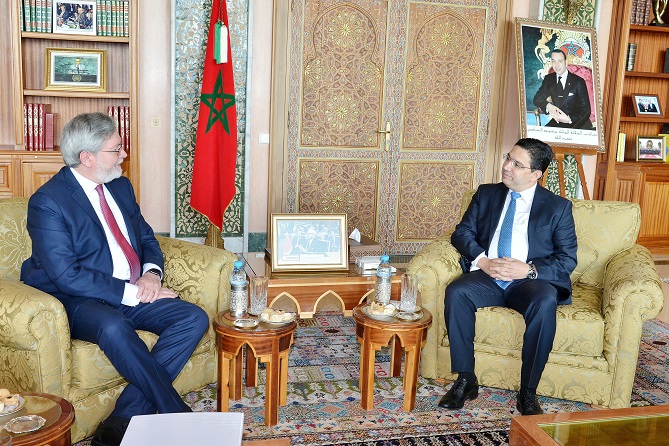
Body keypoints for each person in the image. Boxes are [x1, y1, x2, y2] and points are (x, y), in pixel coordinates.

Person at [20, 113, 209, 446]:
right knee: (112, 325)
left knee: (192, 317)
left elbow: (147, 238)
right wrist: (134, 292)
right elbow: (66, 274)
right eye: (116, 149)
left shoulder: (120, 186)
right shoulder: (48, 202)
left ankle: (122, 417)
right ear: (87, 157)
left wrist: (151, 275)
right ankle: (176, 412)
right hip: (77, 299)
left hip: (130, 289)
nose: (124, 154)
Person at [437, 138, 577, 416]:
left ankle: (528, 391)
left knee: (545, 302)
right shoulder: (487, 194)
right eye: (507, 158)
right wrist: (483, 261)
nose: (506, 167)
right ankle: (466, 379)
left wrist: (528, 270)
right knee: (457, 291)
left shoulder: (557, 207)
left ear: (535, 174)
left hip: (530, 282)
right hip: (488, 276)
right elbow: (462, 233)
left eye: (517, 164)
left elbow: (567, 259)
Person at [533, 49, 593, 129]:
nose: (556, 65)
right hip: (558, 122)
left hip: (578, 122)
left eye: (560, 61)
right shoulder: (549, 79)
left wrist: (569, 119)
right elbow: (537, 98)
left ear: (566, 62)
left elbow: (586, 110)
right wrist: (548, 106)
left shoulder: (578, 81)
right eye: (554, 61)